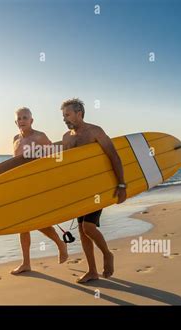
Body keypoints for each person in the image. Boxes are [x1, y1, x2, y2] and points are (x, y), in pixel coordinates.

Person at [60, 98, 127, 283]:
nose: (64, 119)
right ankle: (92, 271)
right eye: (63, 115)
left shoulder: (94, 131)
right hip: (79, 189)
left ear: (79, 113)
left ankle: (107, 254)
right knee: (82, 231)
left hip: (97, 187)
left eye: (67, 114)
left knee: (88, 227)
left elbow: (113, 155)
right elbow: (66, 167)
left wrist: (121, 184)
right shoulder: (66, 138)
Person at [11, 107, 68, 274]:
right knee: (23, 224)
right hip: (21, 186)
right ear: (16, 122)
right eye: (19, 118)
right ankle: (26, 263)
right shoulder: (15, 139)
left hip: (37, 185)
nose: (22, 120)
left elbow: (55, 158)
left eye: (25, 117)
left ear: (31, 120)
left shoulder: (39, 137)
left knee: (38, 222)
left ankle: (60, 243)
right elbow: (14, 164)